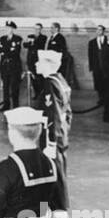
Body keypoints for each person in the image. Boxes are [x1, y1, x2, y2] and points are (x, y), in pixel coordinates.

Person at [32, 47, 71, 176]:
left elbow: (53, 114)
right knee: (59, 171)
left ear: (48, 64)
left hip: (52, 135)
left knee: (54, 174)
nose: (36, 64)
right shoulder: (60, 80)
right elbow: (68, 113)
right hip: (61, 133)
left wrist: (51, 142)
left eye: (39, 62)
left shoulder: (50, 84)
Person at [87, 25, 109, 122]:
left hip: (107, 72)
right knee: (99, 84)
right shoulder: (92, 42)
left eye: (100, 29)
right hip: (98, 68)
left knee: (108, 91)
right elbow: (90, 55)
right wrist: (92, 67)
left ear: (104, 31)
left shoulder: (108, 43)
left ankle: (105, 102)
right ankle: (101, 99)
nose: (98, 31)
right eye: (97, 29)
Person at [0, 21, 23, 111]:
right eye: (6, 28)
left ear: (12, 29)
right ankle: (6, 105)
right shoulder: (2, 39)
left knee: (14, 88)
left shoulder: (17, 39)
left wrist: (4, 50)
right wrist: (8, 49)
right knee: (5, 87)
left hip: (14, 66)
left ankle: (15, 107)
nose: (6, 30)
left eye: (8, 28)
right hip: (4, 66)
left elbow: (16, 52)